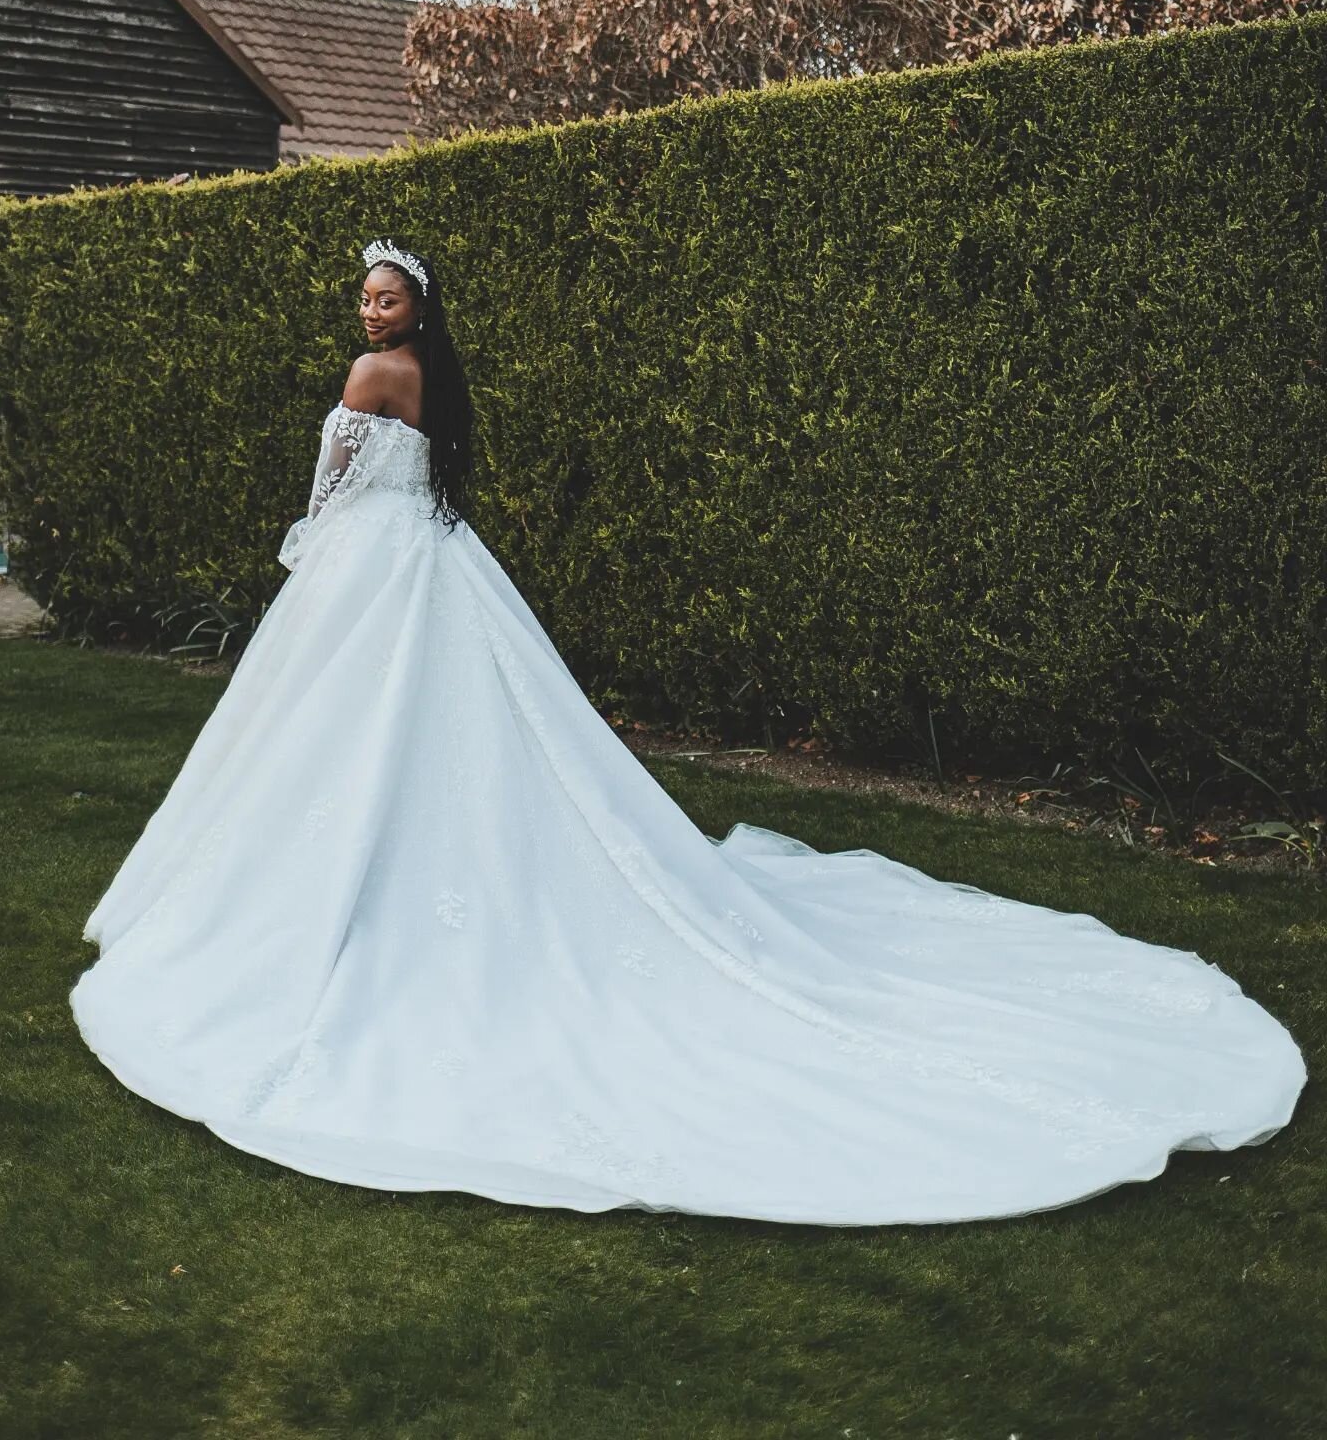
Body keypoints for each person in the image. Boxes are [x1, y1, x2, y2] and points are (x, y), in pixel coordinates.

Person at [70, 236, 1307, 1226]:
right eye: (364, 297)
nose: (370, 311)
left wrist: (305, 548)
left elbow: (330, 492)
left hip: (366, 572)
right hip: (436, 564)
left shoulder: (366, 384)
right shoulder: (443, 386)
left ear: (415, 312)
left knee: (331, 738)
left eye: (386, 297)